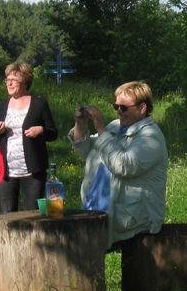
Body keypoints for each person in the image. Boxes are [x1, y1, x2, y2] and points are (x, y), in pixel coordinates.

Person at [71, 81, 167, 249]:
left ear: (142, 108)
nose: (118, 112)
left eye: (124, 108)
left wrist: (101, 130)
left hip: (133, 221)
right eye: (116, 106)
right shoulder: (115, 126)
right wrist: (81, 124)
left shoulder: (151, 137)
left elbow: (123, 166)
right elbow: (85, 151)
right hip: (97, 210)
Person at [0, 61, 58, 213]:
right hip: (6, 172)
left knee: (33, 215)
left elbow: (53, 133)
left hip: (33, 172)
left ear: (25, 80)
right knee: (6, 216)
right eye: (7, 79)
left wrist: (41, 130)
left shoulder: (39, 104)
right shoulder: (1, 106)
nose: (9, 83)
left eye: (13, 79)